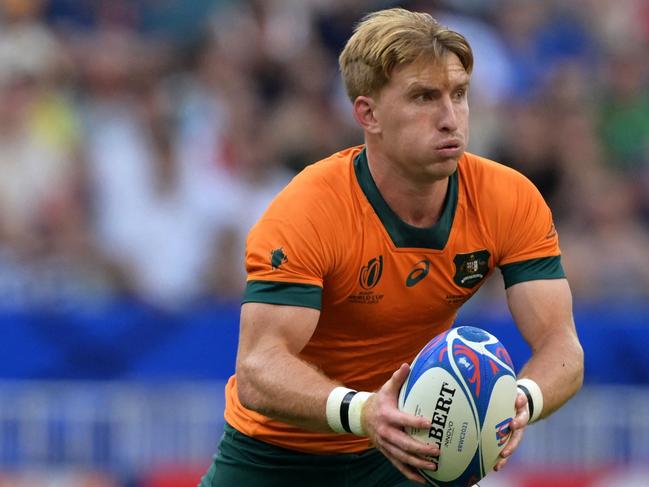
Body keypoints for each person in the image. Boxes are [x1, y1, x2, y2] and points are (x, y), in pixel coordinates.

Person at [200, 8, 584, 487]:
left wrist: (522, 399)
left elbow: (561, 345)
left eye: (459, 95)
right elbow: (258, 368)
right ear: (368, 113)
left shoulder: (510, 199)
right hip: (274, 456)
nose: (451, 118)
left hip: (405, 454)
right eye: (424, 97)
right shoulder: (308, 209)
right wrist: (364, 412)